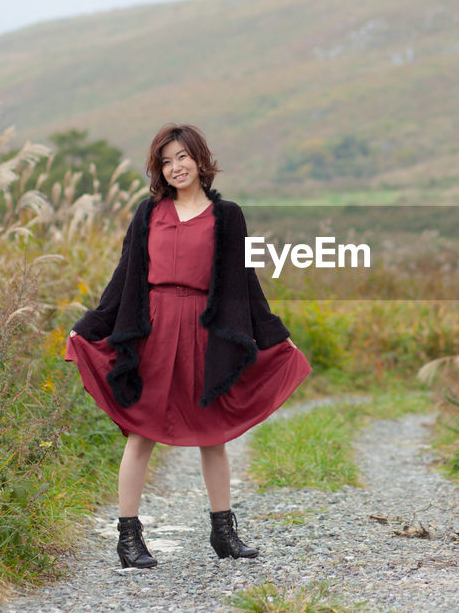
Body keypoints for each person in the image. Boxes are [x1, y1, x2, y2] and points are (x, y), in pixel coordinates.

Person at [65, 123, 310, 568]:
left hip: (204, 333)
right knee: (141, 433)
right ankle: (128, 538)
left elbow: (244, 283)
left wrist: (274, 334)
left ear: (200, 160)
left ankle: (223, 533)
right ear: (159, 169)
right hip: (154, 331)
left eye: (182, 157)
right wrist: (89, 325)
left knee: (212, 435)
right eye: (166, 160)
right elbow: (124, 280)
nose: (175, 167)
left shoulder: (228, 217)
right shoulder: (147, 214)